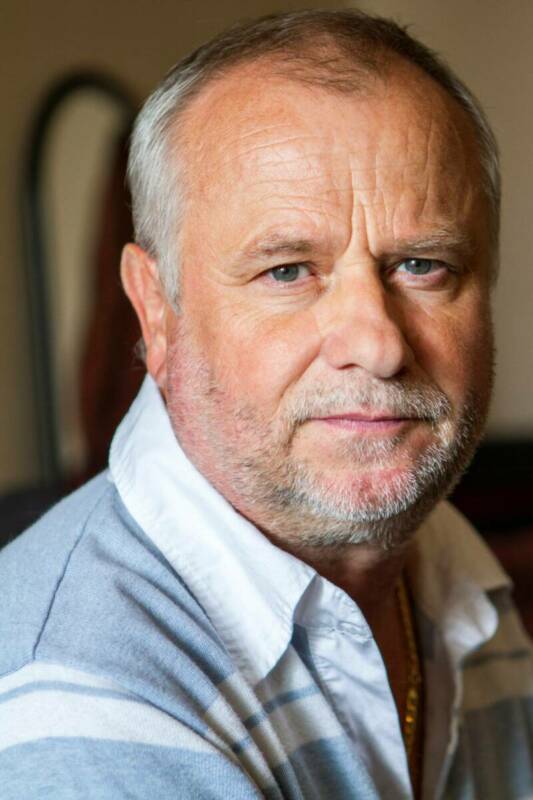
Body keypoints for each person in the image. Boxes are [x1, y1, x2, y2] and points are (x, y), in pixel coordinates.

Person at [1, 9, 532, 799]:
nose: (377, 344)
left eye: (422, 265)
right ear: (155, 310)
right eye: (286, 271)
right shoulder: (79, 699)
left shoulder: (451, 573)